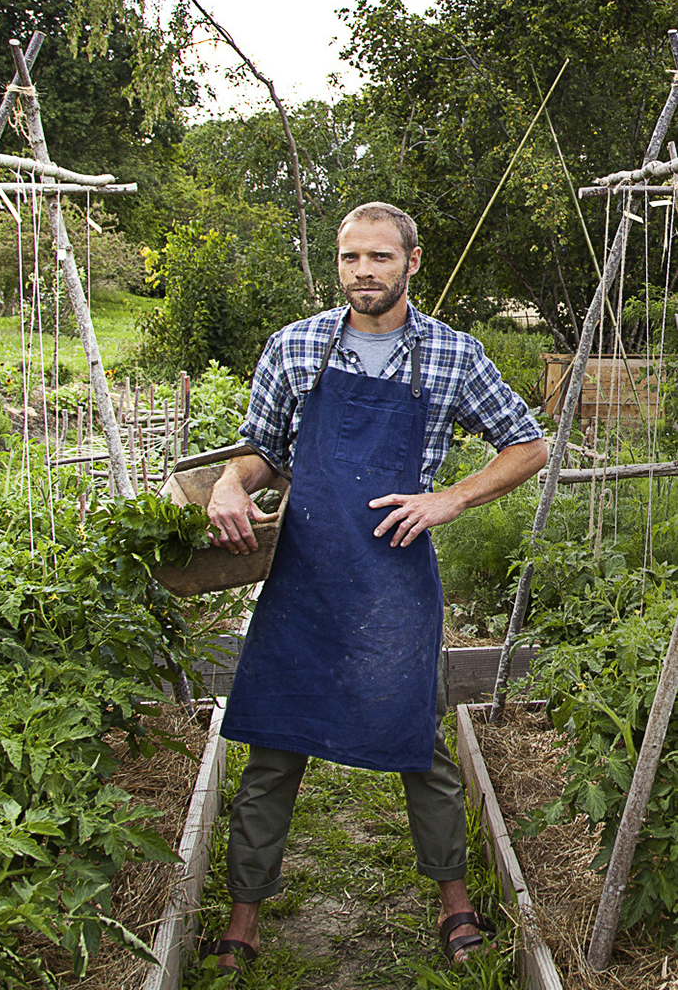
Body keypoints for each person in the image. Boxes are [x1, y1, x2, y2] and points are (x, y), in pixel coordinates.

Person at [204, 202, 547, 977]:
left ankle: (452, 900)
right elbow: (260, 449)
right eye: (351, 258)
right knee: (272, 747)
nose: (364, 272)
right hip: (305, 576)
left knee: (417, 742)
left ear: (412, 263)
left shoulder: (454, 356)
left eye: (380, 258)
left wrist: (451, 498)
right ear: (339, 264)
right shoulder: (294, 348)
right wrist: (231, 483)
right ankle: (244, 913)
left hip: (393, 579)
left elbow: (527, 444)